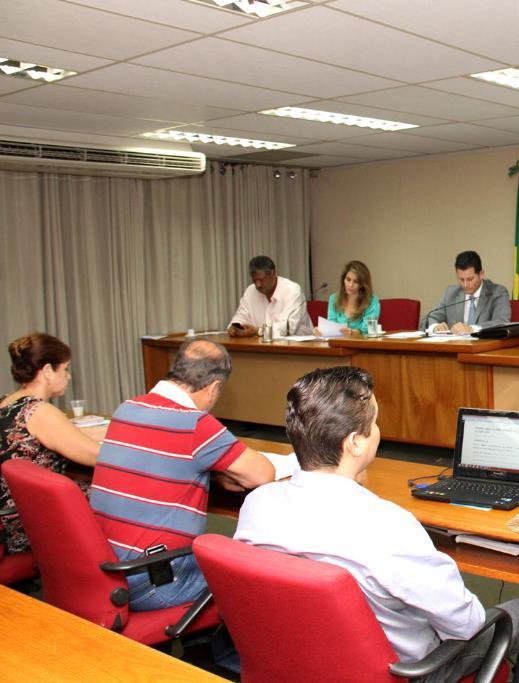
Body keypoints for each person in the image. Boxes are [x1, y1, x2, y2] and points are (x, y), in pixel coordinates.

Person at [234, 366, 519, 682]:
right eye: (375, 422)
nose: (378, 430)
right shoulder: (387, 525)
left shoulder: (259, 505)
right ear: (354, 442)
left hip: (297, 660)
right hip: (406, 670)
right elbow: (466, 625)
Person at [90, 339, 275, 610]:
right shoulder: (195, 424)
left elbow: (161, 462)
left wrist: (212, 472)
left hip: (106, 567)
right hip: (155, 578)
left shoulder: (126, 408)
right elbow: (263, 474)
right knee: (252, 576)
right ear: (213, 387)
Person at [1, 333, 101, 554]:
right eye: (64, 369)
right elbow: (98, 457)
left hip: (10, 513)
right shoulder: (38, 411)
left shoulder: (7, 401)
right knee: (114, 495)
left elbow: (59, 437)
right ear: (47, 371)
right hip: (27, 524)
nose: (68, 376)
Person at [423, 251, 511, 335]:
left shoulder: (497, 292)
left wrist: (472, 329)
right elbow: (429, 318)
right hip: (457, 347)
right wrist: (435, 327)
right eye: (461, 279)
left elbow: (502, 322)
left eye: (470, 279)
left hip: (485, 348)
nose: (465, 285)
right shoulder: (451, 293)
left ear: (481, 274)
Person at [228, 255, 313, 337]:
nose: (258, 285)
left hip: (297, 347)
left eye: (261, 280)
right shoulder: (250, 291)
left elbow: (289, 327)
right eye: (254, 280)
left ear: (273, 273)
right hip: (261, 345)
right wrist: (235, 328)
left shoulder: (292, 290)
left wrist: (258, 331)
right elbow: (240, 316)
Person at [324, 260, 380, 335]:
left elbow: (368, 331)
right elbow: (331, 326)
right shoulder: (334, 299)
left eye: (355, 281)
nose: (350, 285)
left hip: (362, 344)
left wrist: (352, 333)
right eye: (348, 279)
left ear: (362, 284)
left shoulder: (372, 301)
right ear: (343, 280)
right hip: (338, 344)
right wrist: (322, 331)